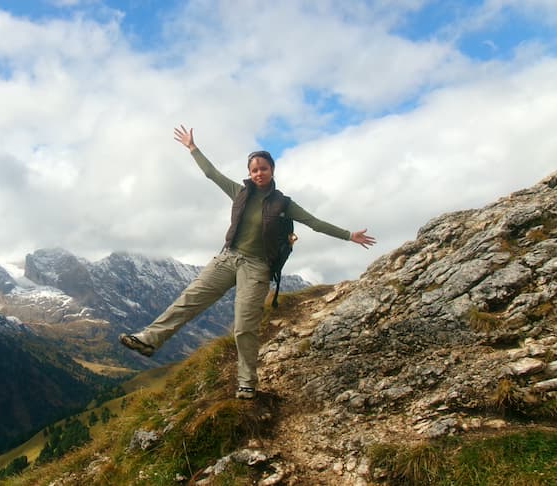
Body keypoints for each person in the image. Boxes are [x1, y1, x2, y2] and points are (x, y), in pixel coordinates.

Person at [120, 126, 376, 399]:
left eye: (263, 168)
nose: (258, 173)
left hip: (257, 267)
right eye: (254, 170)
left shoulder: (283, 203)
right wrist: (193, 148)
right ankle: (149, 339)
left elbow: (314, 222)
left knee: (244, 326)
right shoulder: (240, 192)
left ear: (272, 170)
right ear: (250, 173)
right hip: (229, 257)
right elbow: (211, 174)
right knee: (189, 299)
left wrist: (350, 235)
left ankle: (247, 382)